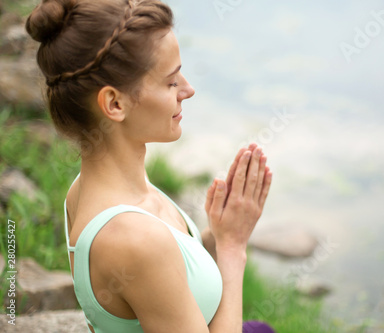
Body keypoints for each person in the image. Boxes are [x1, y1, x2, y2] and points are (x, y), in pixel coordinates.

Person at [25, 0, 274, 332]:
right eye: (171, 82)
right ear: (114, 103)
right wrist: (232, 250)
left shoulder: (89, 188)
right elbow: (150, 256)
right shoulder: (132, 239)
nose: (188, 89)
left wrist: (216, 235)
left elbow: (164, 275)